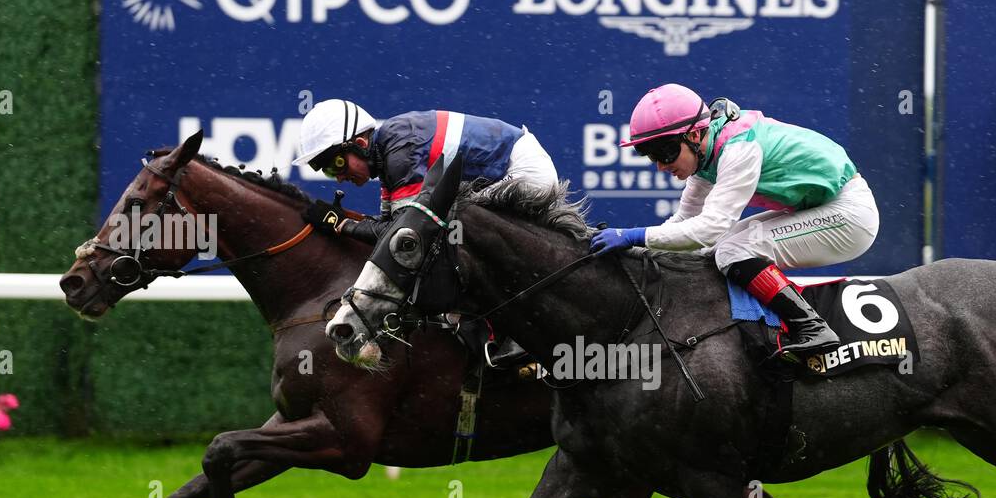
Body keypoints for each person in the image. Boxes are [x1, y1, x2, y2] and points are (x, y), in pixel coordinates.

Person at [589, 84, 880, 357]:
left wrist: (633, 236)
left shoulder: (738, 149)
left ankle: (812, 327)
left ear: (693, 135)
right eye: (650, 155)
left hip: (850, 216)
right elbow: (684, 223)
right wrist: (634, 251)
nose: (662, 165)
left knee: (731, 250)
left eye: (665, 152)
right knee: (722, 249)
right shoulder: (707, 154)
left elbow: (709, 229)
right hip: (823, 208)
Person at [292, 98, 559, 244]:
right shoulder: (386, 154)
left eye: (336, 164)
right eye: (327, 171)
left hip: (525, 172)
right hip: (505, 172)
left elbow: (404, 233)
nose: (338, 177)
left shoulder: (399, 152)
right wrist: (346, 221)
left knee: (447, 226)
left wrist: (342, 225)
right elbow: (389, 225)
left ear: (360, 144)